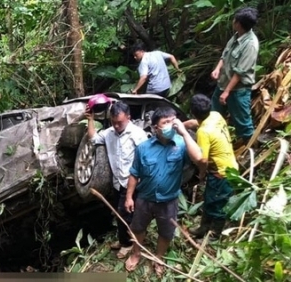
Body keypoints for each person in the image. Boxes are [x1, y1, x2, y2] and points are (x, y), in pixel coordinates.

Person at [124, 107, 202, 276]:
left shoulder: (182, 145)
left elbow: (199, 158)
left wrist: (185, 133)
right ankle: (136, 253)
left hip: (169, 200)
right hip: (144, 198)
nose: (170, 125)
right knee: (138, 228)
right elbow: (134, 173)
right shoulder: (143, 148)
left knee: (166, 233)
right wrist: (129, 197)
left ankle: (158, 258)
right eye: (165, 122)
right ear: (155, 128)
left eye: (173, 121)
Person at [85, 100, 148, 259]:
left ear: (128, 117)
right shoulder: (109, 133)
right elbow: (93, 139)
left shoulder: (137, 134)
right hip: (117, 182)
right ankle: (124, 240)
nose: (117, 126)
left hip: (133, 182)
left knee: (126, 214)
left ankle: (128, 244)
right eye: (113, 123)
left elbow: (146, 159)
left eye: (119, 122)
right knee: (120, 213)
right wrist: (90, 120)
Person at [184, 94, 238, 240]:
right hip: (230, 166)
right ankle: (203, 228)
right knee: (209, 200)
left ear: (193, 112)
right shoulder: (215, 115)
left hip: (221, 173)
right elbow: (199, 122)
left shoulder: (203, 133)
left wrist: (201, 173)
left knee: (216, 203)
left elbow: (202, 159)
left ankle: (214, 236)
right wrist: (186, 124)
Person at [210, 7, 259, 149]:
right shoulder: (237, 35)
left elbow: (240, 72)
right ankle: (216, 145)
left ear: (239, 23)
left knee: (243, 123)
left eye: (235, 20)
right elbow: (225, 55)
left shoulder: (250, 44)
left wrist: (227, 92)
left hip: (238, 90)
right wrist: (217, 68)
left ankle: (251, 151)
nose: (233, 21)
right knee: (213, 116)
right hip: (223, 84)